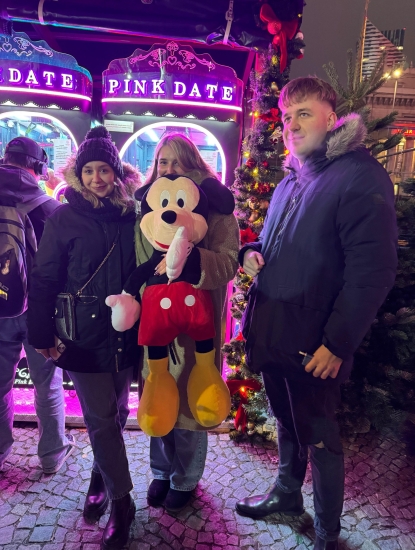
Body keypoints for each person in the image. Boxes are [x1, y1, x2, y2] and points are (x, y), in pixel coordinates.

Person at [235, 77, 398, 550]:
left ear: (331, 117)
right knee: (286, 420)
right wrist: (251, 251)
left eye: (303, 113)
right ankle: (287, 495)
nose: (291, 124)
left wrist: (337, 343)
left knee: (321, 435)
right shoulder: (293, 178)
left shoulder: (359, 176)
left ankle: (327, 531)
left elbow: (373, 271)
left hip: (315, 342)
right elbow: (278, 241)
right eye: (287, 116)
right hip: (275, 329)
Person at [27, 126, 141, 550]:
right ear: (78, 174)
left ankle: (100, 474)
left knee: (118, 412)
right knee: (100, 417)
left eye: (104, 170)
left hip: (124, 333)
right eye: (89, 170)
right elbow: (44, 278)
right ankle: (122, 502)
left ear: (116, 173)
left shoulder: (132, 216)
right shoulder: (63, 217)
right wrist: (41, 333)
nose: (97, 178)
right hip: (81, 335)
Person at [135, 133, 239, 513]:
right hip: (157, 323)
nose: (168, 169)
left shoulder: (217, 210)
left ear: (194, 163)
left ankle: (186, 477)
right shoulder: (149, 206)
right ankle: (161, 472)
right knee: (158, 397)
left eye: (177, 161)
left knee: (192, 407)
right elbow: (138, 261)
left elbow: (228, 262)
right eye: (162, 162)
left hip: (198, 326)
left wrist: (190, 261)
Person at [0, 136, 75, 474]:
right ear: (38, 167)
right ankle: (51, 454)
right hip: (39, 311)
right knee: (47, 383)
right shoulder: (50, 208)